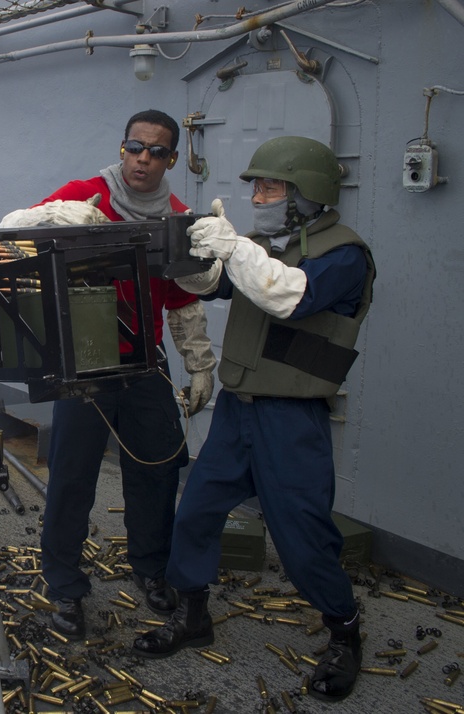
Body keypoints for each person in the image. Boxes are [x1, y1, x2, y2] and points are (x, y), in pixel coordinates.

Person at [131, 136, 376, 704]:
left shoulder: (344, 254)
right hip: (239, 412)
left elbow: (287, 296)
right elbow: (215, 284)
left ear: (305, 193)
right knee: (195, 513)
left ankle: (343, 630)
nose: (258, 196)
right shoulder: (266, 246)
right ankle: (193, 615)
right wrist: (177, 253)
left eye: (269, 186)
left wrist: (235, 247)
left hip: (291, 418)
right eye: (256, 187)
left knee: (302, 536)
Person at [0, 109, 217, 638]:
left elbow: (184, 300)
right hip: (84, 361)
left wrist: (200, 363)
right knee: (72, 477)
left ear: (170, 158)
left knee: (160, 469)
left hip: (145, 363)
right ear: (123, 148)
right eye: (136, 147)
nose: (145, 159)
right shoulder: (84, 194)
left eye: (158, 151)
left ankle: (151, 569)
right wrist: (57, 219)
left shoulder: (179, 217)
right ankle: (66, 589)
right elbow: (9, 230)